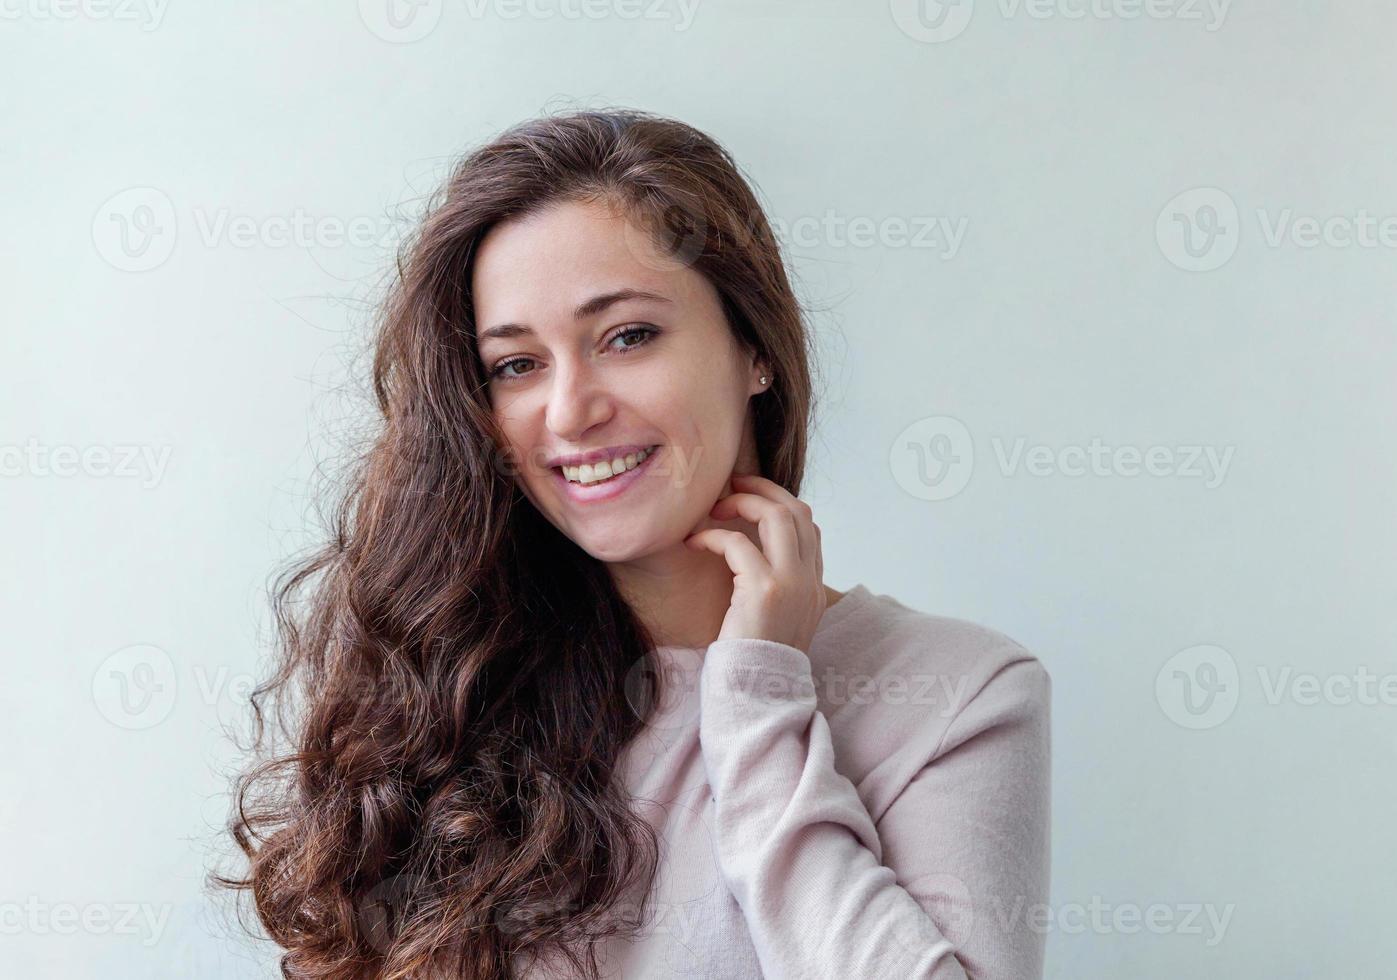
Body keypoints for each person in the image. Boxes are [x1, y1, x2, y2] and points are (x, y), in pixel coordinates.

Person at [220, 107, 1051, 980]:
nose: (572, 410)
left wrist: (759, 700)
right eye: (517, 365)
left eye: (628, 337)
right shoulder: (445, 687)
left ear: (753, 348)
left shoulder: (957, 696)